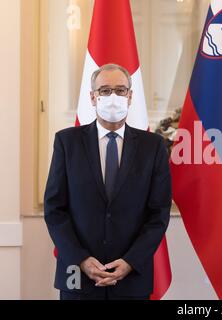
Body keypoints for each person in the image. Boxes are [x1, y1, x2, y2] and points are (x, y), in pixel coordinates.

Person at [44, 63, 172, 300]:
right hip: (78, 277)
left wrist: (130, 261)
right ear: (92, 97)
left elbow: (158, 214)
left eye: (120, 90)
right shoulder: (67, 142)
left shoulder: (152, 146)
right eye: (104, 90)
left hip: (131, 279)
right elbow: (54, 209)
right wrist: (81, 259)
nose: (113, 96)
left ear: (130, 96)